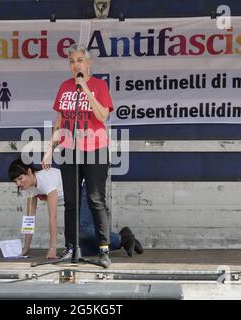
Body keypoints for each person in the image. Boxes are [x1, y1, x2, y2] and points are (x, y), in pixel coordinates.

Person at [42, 43, 115, 267]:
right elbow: (59, 122)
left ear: (88, 63)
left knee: (95, 200)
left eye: (79, 61)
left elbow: (103, 117)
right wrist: (49, 150)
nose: (76, 65)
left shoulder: (99, 85)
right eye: (72, 62)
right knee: (71, 202)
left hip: (95, 149)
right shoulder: (64, 87)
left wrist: (86, 90)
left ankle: (104, 250)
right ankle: (71, 248)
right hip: (70, 150)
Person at [8, 158, 144, 259]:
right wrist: (26, 248)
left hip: (83, 192)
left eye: (20, 178)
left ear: (30, 172)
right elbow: (29, 221)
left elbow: (53, 218)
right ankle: (121, 237)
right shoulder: (29, 190)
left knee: (82, 230)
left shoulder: (45, 179)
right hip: (73, 201)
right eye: (16, 182)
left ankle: (122, 239)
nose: (19, 184)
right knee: (83, 249)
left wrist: (52, 249)